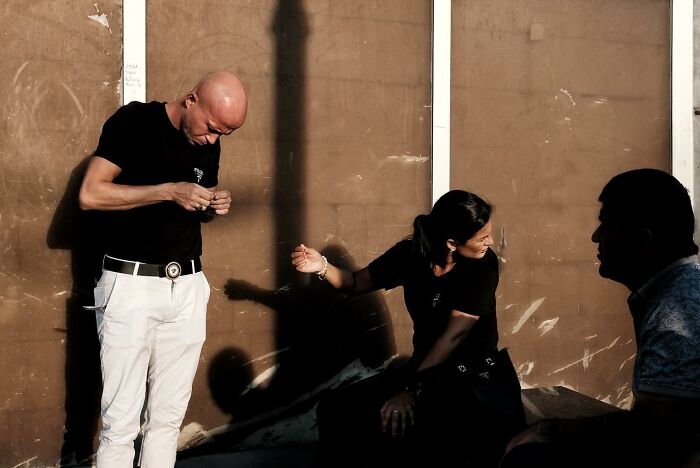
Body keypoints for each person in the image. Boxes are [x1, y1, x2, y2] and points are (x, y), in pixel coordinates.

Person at [78, 71, 247, 467]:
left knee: (167, 421)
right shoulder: (134, 122)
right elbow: (90, 193)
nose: (212, 141)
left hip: (186, 286)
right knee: (120, 423)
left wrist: (212, 205)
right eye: (210, 128)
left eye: (224, 134)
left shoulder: (209, 142)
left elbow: (191, 207)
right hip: (130, 283)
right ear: (191, 99)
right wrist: (170, 190)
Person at [291, 190, 526, 467]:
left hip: (471, 374)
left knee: (414, 429)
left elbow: (456, 334)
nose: (490, 241)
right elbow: (355, 283)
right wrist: (323, 266)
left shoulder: (483, 265)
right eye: (482, 237)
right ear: (451, 242)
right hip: (425, 367)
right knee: (336, 408)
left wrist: (412, 389)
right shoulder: (410, 254)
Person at [501, 169, 700, 468]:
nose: (595, 236)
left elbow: (658, 434)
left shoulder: (677, 311)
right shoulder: (678, 291)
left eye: (606, 224)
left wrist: (550, 431)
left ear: (641, 240)